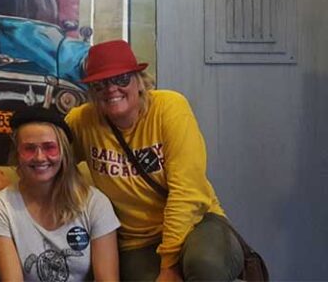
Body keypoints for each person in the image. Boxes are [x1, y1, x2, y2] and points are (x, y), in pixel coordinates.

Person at [64, 39, 244, 281]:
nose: (111, 89)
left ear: (139, 81)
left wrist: (168, 265)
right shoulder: (82, 121)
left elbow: (187, 191)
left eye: (121, 79)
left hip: (196, 225)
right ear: (92, 92)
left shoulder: (169, 108)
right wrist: (7, 182)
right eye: (100, 84)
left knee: (205, 266)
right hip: (135, 242)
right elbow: (50, 159)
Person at [0, 107, 120, 281]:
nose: (40, 157)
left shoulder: (95, 204)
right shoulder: (1, 207)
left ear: (64, 152)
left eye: (49, 147)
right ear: (17, 154)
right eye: (29, 148)